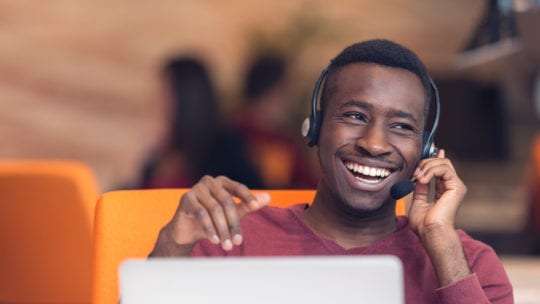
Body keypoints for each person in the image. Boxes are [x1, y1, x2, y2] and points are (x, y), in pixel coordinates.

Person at [150, 40, 513, 303]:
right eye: (355, 116)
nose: (374, 143)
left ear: (426, 150)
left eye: (402, 126)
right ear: (315, 128)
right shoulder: (230, 241)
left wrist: (442, 245)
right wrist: (171, 246)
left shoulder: (469, 263)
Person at [138, 56, 264, 189]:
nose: (155, 101)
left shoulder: (226, 148)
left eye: (164, 93)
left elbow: (253, 196)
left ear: (187, 98)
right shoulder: (159, 152)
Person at [229, 54, 319, 189]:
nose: (290, 102)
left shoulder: (284, 140)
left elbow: (311, 183)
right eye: (287, 92)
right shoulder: (230, 135)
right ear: (270, 91)